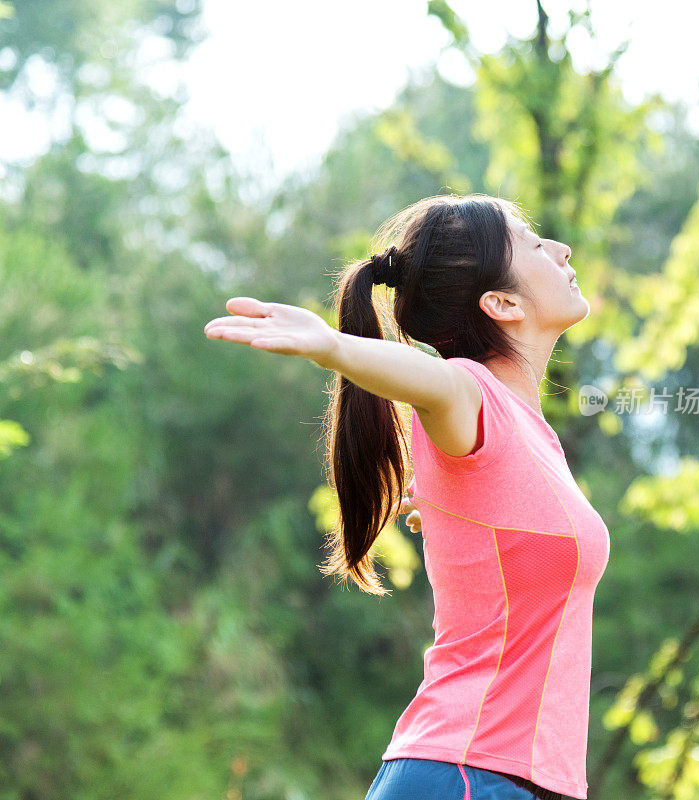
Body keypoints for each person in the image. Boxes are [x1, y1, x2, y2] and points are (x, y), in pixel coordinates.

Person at [204, 193, 611, 800]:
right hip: (469, 774)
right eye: (532, 243)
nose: (561, 248)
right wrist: (331, 347)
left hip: (506, 779)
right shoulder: (468, 391)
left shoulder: (529, 437)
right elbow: (430, 381)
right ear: (501, 303)